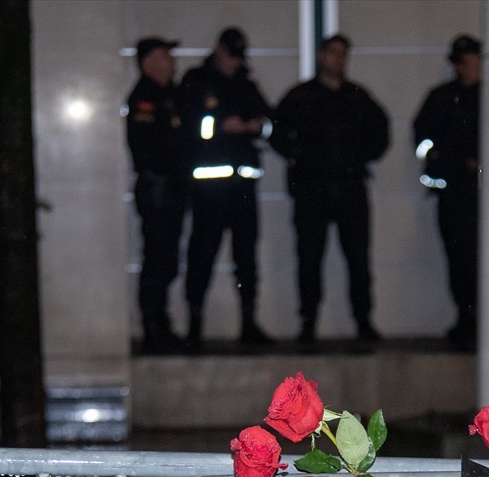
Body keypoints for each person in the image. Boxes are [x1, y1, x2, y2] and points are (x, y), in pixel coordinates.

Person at [270, 34, 389, 347]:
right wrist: (302, 157)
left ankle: (363, 322)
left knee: (358, 259)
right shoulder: (300, 97)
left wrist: (359, 156)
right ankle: (308, 324)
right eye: (333, 53)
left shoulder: (358, 98)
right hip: (312, 190)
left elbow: (381, 133)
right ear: (322, 56)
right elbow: (277, 135)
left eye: (343, 54)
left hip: (350, 188)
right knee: (309, 259)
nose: (338, 60)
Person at [412, 34, 489, 349]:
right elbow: (422, 138)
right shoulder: (441, 98)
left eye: (467, 62)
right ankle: (467, 321)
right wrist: (450, 160)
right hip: (453, 192)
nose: (461, 68)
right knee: (458, 257)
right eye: (458, 63)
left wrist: (485, 161)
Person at [179, 27, 273, 348]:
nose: (234, 63)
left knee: (246, 257)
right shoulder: (196, 80)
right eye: (230, 56)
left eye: (238, 57)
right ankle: (194, 326)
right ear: (219, 50)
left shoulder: (246, 84)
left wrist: (257, 126)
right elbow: (188, 123)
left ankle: (249, 324)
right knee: (202, 254)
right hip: (209, 188)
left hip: (243, 186)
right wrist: (219, 126)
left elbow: (269, 120)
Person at [125, 37, 188, 354]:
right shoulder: (146, 99)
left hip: (171, 189)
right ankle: (153, 328)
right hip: (158, 189)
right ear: (149, 62)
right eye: (165, 56)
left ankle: (161, 324)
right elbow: (149, 149)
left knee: (166, 260)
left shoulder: (168, 96)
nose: (173, 63)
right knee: (157, 259)